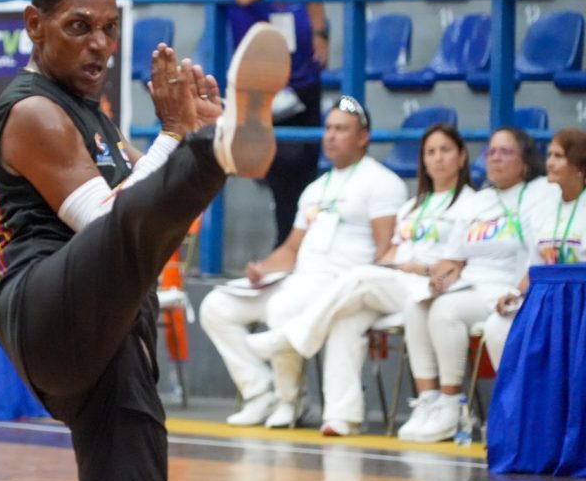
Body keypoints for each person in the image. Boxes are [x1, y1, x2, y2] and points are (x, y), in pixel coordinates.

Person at [0, 0, 290, 481]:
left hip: (115, 334)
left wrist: (185, 138)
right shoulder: (31, 110)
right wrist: (181, 140)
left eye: (109, 28)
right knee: (130, 221)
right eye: (79, 27)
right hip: (46, 310)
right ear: (35, 25)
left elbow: (157, 214)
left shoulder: (97, 118)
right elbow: (105, 221)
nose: (99, 45)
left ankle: (217, 148)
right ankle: (219, 150)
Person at [245, 123, 476, 436]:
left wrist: (420, 268)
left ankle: (292, 337)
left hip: (432, 288)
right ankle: (343, 417)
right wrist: (397, 263)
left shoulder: (471, 204)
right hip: (397, 283)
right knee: (346, 319)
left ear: (462, 157)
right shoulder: (414, 205)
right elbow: (390, 252)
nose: (437, 158)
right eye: (430, 152)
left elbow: (464, 261)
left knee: (359, 274)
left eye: (445, 150)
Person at [199, 96, 407, 429]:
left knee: (283, 307)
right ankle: (260, 392)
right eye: (328, 128)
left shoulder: (383, 183)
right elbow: (291, 249)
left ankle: (291, 402)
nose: (331, 136)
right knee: (216, 306)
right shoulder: (315, 189)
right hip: (298, 278)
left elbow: (385, 251)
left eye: (341, 129)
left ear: (363, 137)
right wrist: (263, 268)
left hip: (338, 283)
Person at [397, 127, 553, 443]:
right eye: (491, 151)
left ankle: (453, 405)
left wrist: (518, 289)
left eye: (505, 152)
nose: (495, 158)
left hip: (506, 287)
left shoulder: (538, 194)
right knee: (417, 304)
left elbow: (541, 252)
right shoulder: (479, 201)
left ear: (525, 160)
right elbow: (453, 260)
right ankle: (428, 402)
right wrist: (439, 279)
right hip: (470, 286)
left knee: (445, 311)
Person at [219, 0, 329, 245]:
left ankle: (297, 250)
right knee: (287, 172)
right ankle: (285, 249)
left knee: (308, 169)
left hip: (304, 78)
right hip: (268, 84)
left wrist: (320, 32)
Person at [484, 127, 586, 368]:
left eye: (558, 156)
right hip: (547, 297)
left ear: (579, 164)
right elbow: (535, 266)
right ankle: (520, 392)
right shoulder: (542, 209)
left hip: (581, 298)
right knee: (497, 326)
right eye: (549, 155)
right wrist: (514, 293)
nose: (549, 163)